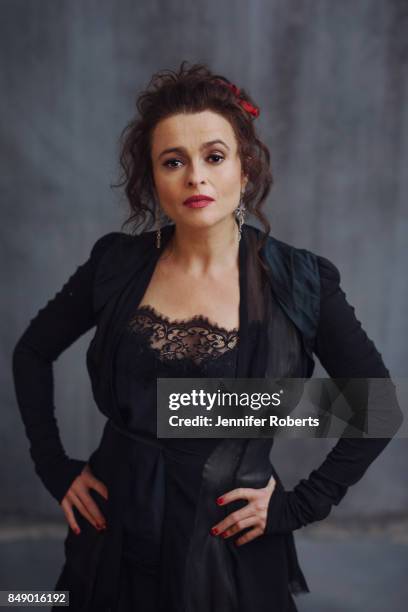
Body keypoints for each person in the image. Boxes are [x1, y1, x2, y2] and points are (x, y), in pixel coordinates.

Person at [12, 61, 402, 612]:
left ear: (244, 170)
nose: (195, 176)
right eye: (174, 162)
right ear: (152, 181)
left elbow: (377, 406)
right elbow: (31, 352)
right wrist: (54, 466)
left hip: (227, 545)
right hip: (115, 527)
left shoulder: (301, 280)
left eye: (214, 157)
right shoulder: (115, 263)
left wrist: (299, 505)